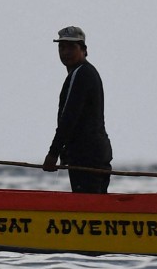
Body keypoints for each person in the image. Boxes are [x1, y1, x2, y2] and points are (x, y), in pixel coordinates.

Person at [43, 26, 113, 193]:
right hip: (92, 154)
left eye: (71, 47)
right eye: (62, 47)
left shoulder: (82, 74)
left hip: (88, 157)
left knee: (89, 206)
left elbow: (69, 117)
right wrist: (65, 154)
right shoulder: (81, 73)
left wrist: (53, 153)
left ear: (84, 50)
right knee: (96, 205)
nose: (65, 52)